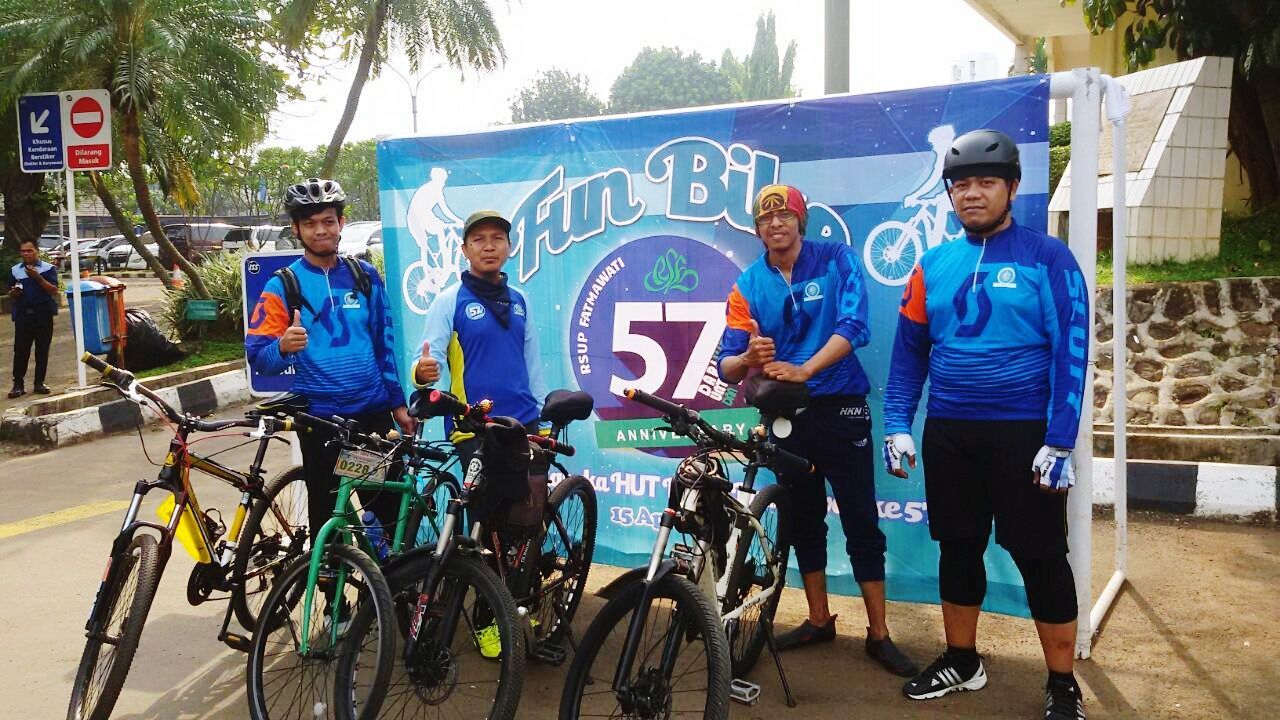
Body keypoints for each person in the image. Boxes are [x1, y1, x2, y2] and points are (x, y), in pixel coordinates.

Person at [881, 129, 1089, 720]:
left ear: (1013, 188)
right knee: (959, 546)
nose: (972, 193)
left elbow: (1072, 349)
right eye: (961, 183)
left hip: (1023, 435)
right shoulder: (931, 264)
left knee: (1042, 555)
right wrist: (898, 423)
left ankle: (1062, 682)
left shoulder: (1047, 257)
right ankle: (962, 659)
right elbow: (909, 356)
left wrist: (1060, 439)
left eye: (985, 183)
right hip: (949, 430)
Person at [717, 184, 918, 678]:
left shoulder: (839, 259)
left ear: (800, 222)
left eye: (785, 215)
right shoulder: (747, 282)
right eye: (765, 219)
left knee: (860, 524)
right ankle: (817, 619)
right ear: (757, 229)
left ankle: (878, 634)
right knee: (803, 521)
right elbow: (726, 366)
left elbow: (855, 327)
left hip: (841, 407)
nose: (775, 224)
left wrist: (805, 369)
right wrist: (749, 359)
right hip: (786, 416)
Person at [245, 177, 419, 547]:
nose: (320, 230)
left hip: (372, 416)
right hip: (320, 421)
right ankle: (332, 601)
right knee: (329, 529)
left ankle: (394, 598)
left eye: (328, 221)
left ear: (341, 223)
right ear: (296, 229)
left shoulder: (365, 276)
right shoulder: (282, 286)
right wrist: (284, 347)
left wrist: (398, 404)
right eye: (310, 223)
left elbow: (383, 347)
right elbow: (260, 358)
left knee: (392, 519)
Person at [411, 209, 547, 449]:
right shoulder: (448, 301)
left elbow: (532, 364)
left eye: (497, 238)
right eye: (478, 239)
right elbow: (425, 365)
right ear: (464, 250)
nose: (489, 246)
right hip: (471, 424)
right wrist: (423, 372)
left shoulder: (520, 299)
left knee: (533, 487)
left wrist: (542, 421)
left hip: (524, 420)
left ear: (509, 246)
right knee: (489, 489)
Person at [7, 237, 59, 398]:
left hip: (43, 313)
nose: (26, 254)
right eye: (23, 251)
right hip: (23, 314)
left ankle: (39, 382)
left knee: (42, 349)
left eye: (30, 250)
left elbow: (53, 290)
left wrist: (38, 278)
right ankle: (18, 384)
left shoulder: (47, 269)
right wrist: (13, 293)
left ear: (37, 251)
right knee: (21, 349)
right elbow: (11, 290)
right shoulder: (15, 270)